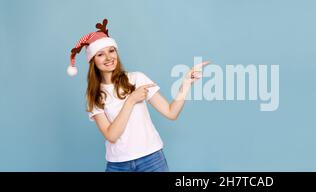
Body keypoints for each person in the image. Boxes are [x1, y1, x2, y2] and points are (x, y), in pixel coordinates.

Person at [67, 19, 209, 172]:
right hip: (118, 165)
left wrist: (186, 83)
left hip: (152, 160)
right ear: (93, 61)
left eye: (111, 51)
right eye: (100, 54)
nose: (108, 58)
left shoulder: (137, 79)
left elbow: (171, 112)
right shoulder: (95, 96)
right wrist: (131, 100)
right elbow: (112, 135)